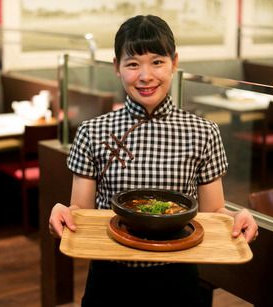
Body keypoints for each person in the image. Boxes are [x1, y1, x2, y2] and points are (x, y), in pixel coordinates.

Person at [49, 15, 258, 307]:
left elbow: (213, 213)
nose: (145, 76)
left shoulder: (203, 132)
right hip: (111, 278)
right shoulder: (93, 131)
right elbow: (81, 214)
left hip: (179, 277)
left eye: (157, 62)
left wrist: (235, 218)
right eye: (133, 64)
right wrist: (64, 213)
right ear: (117, 68)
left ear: (174, 62)